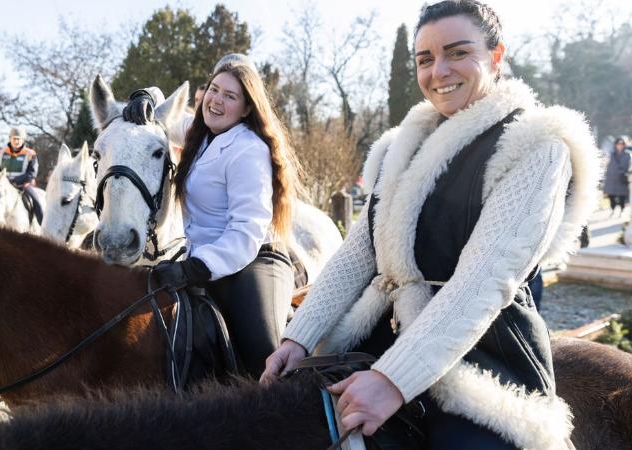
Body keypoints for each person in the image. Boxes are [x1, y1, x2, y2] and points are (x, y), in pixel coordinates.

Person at [260, 2, 599, 449]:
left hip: (480, 356)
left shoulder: (536, 147)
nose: (439, 71)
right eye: (424, 59)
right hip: (382, 332)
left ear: (496, 57)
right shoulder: (398, 147)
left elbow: (483, 282)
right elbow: (361, 251)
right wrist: (299, 337)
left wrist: (391, 380)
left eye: (458, 53)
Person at [124, 63, 302, 378]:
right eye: (214, 90)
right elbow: (167, 115)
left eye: (230, 96)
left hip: (252, 259)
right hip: (202, 258)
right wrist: (145, 96)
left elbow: (245, 234)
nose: (216, 101)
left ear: (247, 108)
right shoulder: (201, 133)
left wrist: (192, 269)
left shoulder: (248, 150)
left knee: (263, 358)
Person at [0, 127, 44, 223]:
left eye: (18, 139)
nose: (16, 141)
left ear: (23, 140)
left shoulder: (30, 153)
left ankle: (42, 225)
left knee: (37, 202)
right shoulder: (0, 153)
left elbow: (32, 173)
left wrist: (16, 181)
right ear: (10, 138)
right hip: (4, 186)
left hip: (23, 185)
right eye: (14, 138)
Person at [603, 137, 631, 217]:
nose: (620, 145)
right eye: (618, 144)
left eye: (621, 144)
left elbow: (630, 166)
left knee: (621, 196)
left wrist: (627, 173)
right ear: (615, 145)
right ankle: (612, 209)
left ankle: (622, 210)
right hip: (611, 179)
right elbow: (606, 164)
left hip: (622, 178)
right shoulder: (611, 154)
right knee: (611, 196)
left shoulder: (628, 155)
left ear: (624, 145)